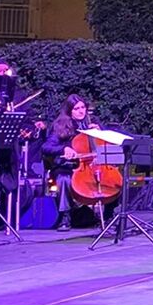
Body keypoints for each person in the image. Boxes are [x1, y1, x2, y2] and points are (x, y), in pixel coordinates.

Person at [41, 94, 102, 232]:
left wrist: (100, 133)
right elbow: (46, 147)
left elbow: (104, 144)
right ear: (70, 111)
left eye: (83, 107)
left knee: (112, 179)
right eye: (76, 109)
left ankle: (109, 215)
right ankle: (65, 216)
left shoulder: (92, 123)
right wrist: (64, 148)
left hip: (90, 165)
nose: (81, 111)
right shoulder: (61, 126)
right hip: (68, 166)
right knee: (63, 179)